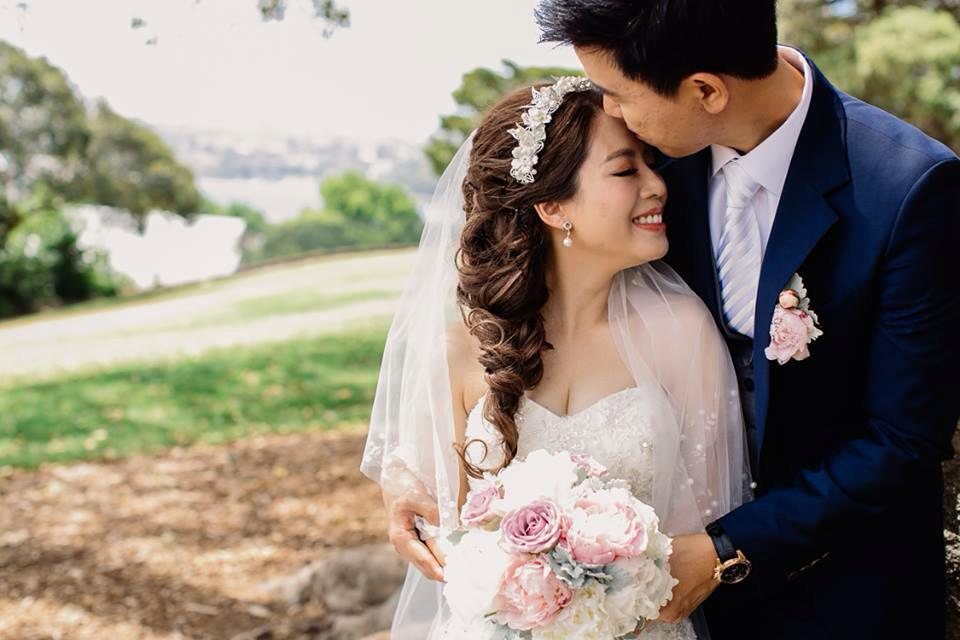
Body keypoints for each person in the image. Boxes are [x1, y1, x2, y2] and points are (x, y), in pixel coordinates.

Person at [534, 1, 960, 638]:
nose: (611, 112)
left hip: (849, 593)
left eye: (618, 94)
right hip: (665, 599)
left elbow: (904, 438)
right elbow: (531, 263)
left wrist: (728, 547)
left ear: (706, 91)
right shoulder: (651, 164)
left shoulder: (906, 186)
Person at [361, 78, 751, 638]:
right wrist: (404, 486)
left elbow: (713, 524)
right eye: (626, 170)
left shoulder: (680, 332)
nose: (657, 185)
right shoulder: (459, 352)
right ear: (551, 205)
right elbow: (440, 530)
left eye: (650, 164)